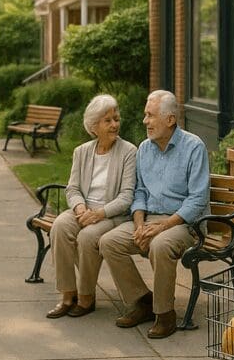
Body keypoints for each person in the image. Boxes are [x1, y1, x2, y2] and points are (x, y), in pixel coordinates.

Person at [99, 90, 209, 339]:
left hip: (184, 223)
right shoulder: (144, 150)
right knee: (109, 241)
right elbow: (139, 193)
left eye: (150, 115)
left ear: (170, 120)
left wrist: (161, 227)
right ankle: (142, 301)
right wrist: (139, 225)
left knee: (159, 245)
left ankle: (165, 314)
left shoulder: (193, 147)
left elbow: (197, 200)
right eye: (145, 115)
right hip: (149, 221)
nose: (144, 121)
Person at [46, 94, 137, 319]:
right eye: (108, 120)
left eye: (116, 118)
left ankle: (87, 297)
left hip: (111, 215)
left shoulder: (129, 152)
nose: (115, 124)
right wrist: (79, 209)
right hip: (84, 210)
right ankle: (68, 295)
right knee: (59, 226)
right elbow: (73, 188)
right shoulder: (82, 151)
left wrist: (99, 214)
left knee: (87, 237)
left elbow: (127, 196)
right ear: (94, 126)